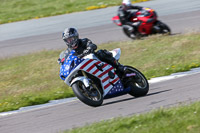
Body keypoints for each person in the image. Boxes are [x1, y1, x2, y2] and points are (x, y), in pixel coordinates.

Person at [59, 27, 126, 74]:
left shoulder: (83, 41)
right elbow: (65, 59)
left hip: (94, 60)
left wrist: (89, 49)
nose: (70, 41)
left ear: (76, 37)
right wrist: (62, 61)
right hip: (82, 65)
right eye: (67, 40)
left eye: (71, 39)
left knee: (100, 53)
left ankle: (119, 66)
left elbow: (92, 45)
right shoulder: (68, 51)